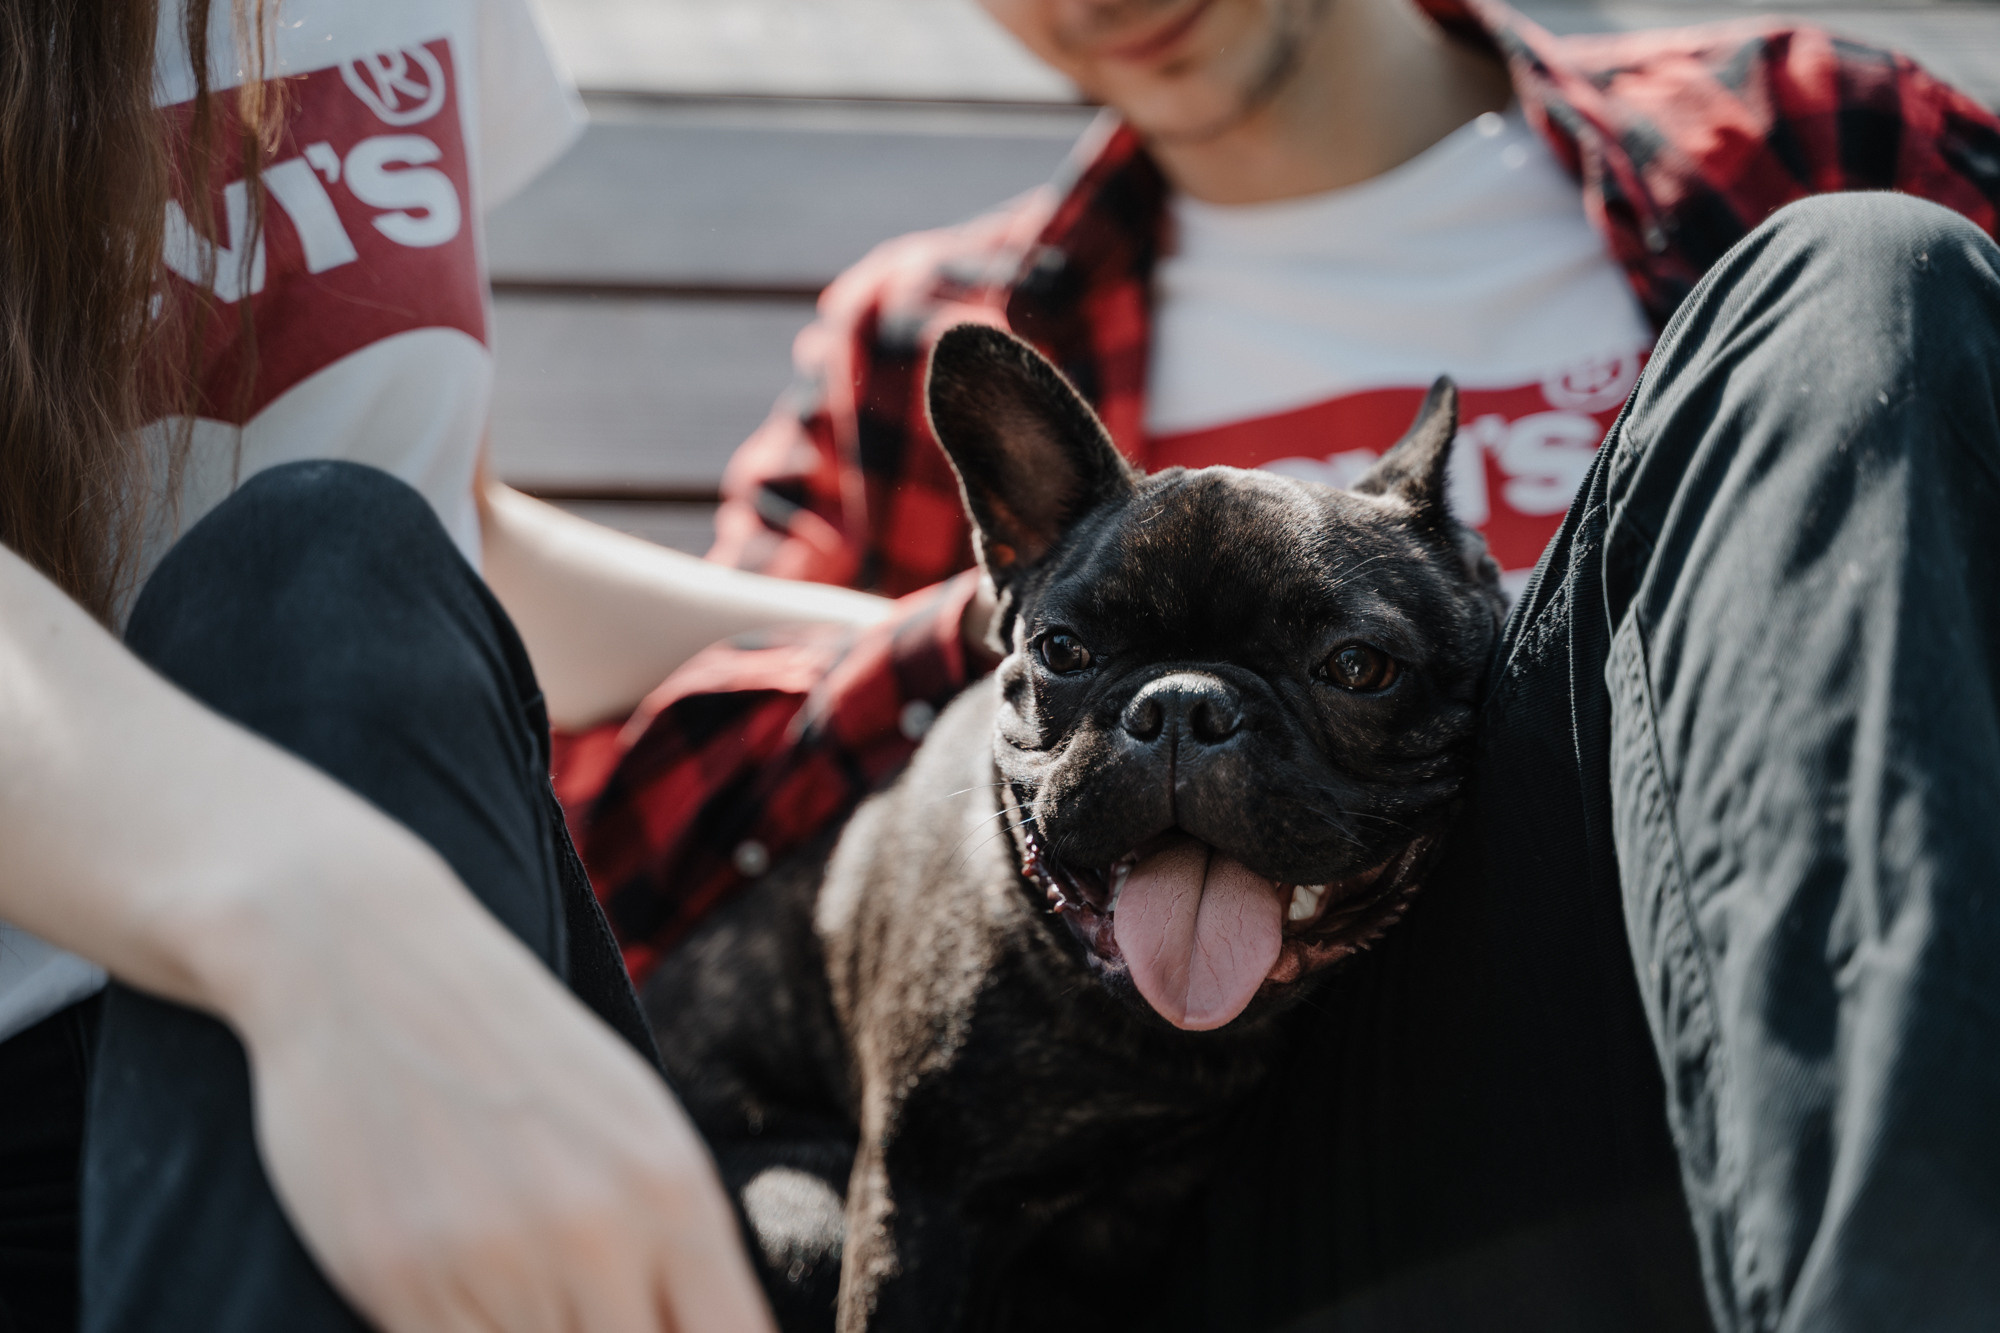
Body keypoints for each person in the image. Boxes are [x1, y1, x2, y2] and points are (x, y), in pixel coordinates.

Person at [547, 0, 2000, 1327]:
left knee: (1858, 270)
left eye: (1345, 662)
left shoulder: (1797, 132)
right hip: (1201, 1212)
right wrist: (1037, 616)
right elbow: (652, 849)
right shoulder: (931, 327)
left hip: (1667, 1024)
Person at [0, 1, 892, 1329]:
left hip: (431, 995)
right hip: (145, 1019)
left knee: (327, 554)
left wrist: (909, 644)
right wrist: (320, 912)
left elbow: (447, 550)